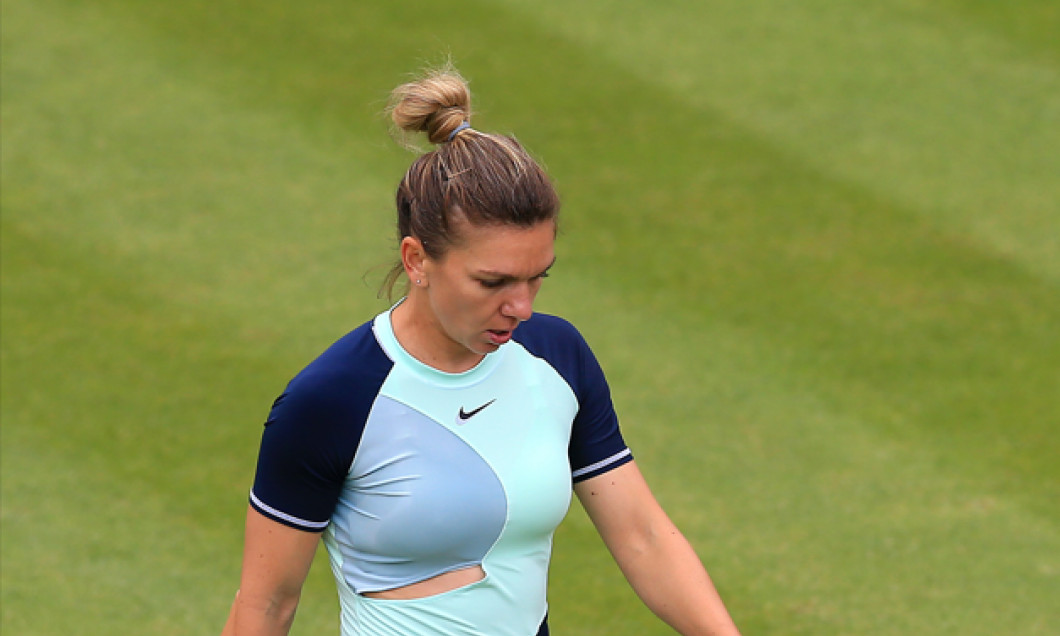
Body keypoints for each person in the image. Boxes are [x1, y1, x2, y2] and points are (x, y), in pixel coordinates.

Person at [221, 66, 742, 636]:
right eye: (493, 283)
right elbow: (267, 606)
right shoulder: (332, 400)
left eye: (537, 277)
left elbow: (642, 536)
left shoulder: (557, 355)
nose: (521, 306)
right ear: (417, 260)